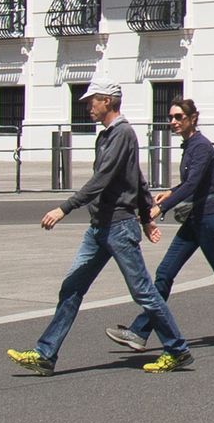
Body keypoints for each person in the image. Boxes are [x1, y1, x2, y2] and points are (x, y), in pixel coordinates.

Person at [10, 87, 191, 374]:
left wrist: (64, 208)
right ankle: (45, 353)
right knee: (72, 288)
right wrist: (146, 217)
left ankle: (177, 349)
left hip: (118, 226)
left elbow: (103, 179)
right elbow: (138, 179)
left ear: (107, 101)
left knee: (143, 291)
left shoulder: (121, 134)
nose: (87, 107)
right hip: (99, 227)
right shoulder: (106, 135)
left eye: (92, 101)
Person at [132, 96, 214, 352]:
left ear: (193, 118)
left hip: (208, 219)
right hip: (196, 218)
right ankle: (139, 332)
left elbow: (193, 184)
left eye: (178, 117)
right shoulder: (191, 146)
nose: (173, 122)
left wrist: (161, 207)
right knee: (165, 273)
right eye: (170, 117)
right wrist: (171, 191)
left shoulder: (200, 146)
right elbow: (194, 183)